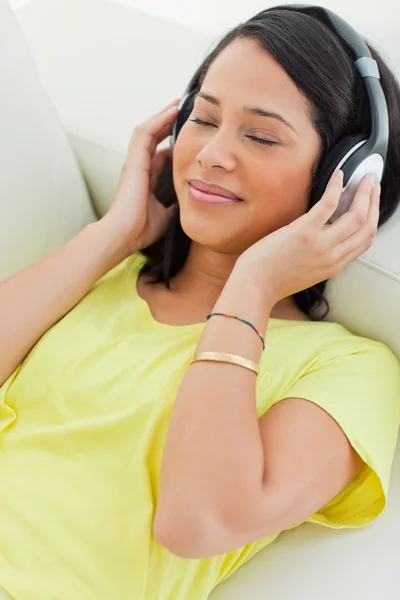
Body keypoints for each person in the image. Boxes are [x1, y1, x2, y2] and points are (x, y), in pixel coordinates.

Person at [1, 5, 400, 600]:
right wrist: (116, 232)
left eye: (261, 135)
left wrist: (253, 283)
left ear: (341, 181)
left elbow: (197, 522)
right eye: (203, 119)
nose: (212, 153)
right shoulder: (101, 277)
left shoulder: (350, 370)